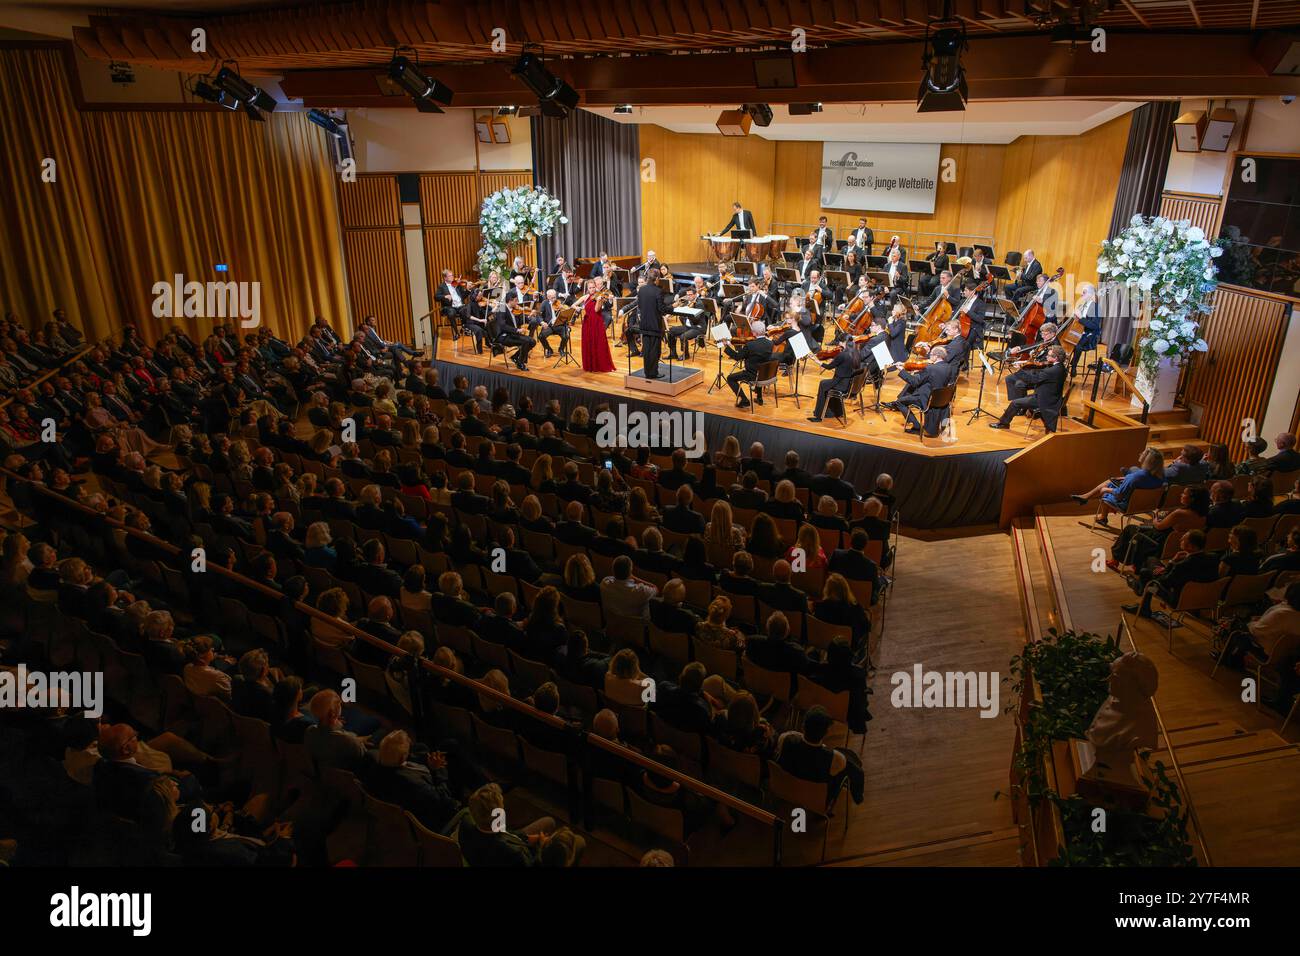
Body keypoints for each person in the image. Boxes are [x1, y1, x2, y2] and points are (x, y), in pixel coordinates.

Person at [774, 705, 864, 804]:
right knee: (849, 763)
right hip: (817, 802)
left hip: (786, 789)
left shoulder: (785, 738)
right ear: (826, 732)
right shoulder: (836, 758)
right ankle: (858, 796)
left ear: (803, 726)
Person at [454, 783, 555, 867]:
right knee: (549, 822)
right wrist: (540, 848)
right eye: (502, 804)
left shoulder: (465, 824)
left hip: (500, 848)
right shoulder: (515, 854)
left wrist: (525, 837)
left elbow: (503, 834)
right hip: (520, 852)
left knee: (548, 822)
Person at [1071, 447, 1166, 525]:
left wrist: (1106, 490)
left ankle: (1102, 516)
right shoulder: (1161, 478)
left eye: (1143, 453)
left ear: (1147, 460)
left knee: (1106, 489)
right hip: (1147, 506)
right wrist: (1126, 479)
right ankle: (1086, 498)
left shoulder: (1135, 477)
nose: (1140, 454)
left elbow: (1120, 495)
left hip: (1128, 506)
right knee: (1112, 481)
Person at [988, 346, 1067, 433]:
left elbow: (1033, 380)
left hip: (1044, 400)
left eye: (1048, 355)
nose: (1046, 357)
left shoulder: (1051, 371)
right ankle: (1045, 424)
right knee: (1021, 395)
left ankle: (1003, 423)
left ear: (1055, 358)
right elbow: (1043, 377)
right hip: (1052, 397)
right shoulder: (1061, 368)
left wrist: (1020, 370)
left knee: (1015, 403)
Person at [725, 320, 775, 408]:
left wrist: (726, 346)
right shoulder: (770, 343)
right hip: (766, 375)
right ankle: (759, 398)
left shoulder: (750, 345)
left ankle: (744, 400)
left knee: (730, 378)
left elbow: (737, 357)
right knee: (759, 367)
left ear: (754, 333)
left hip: (752, 375)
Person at [636, 273, 671, 380]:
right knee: (655, 350)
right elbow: (662, 309)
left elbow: (640, 305)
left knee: (646, 350)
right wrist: (672, 308)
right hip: (655, 325)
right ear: (656, 279)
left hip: (644, 324)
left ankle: (647, 372)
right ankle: (653, 373)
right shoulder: (658, 291)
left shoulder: (642, 290)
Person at [579, 279, 616, 373]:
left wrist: (600, 301)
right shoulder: (586, 296)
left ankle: (599, 364)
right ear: (587, 288)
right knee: (589, 342)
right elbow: (573, 305)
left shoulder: (599, 296)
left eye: (593, 287)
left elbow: (596, 310)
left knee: (599, 342)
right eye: (590, 288)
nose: (592, 289)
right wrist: (578, 307)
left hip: (597, 321)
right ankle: (590, 364)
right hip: (587, 322)